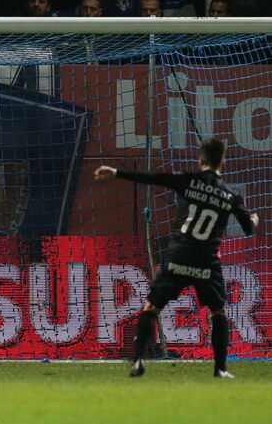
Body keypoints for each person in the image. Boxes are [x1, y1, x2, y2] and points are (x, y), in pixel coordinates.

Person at [94, 138, 259, 379]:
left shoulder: (188, 180)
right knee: (218, 311)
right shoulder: (231, 194)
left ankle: (138, 361)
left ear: (200, 160)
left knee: (152, 306)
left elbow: (153, 178)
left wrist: (117, 172)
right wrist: (254, 218)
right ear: (222, 162)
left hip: (179, 254)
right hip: (206, 259)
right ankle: (220, 369)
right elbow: (247, 228)